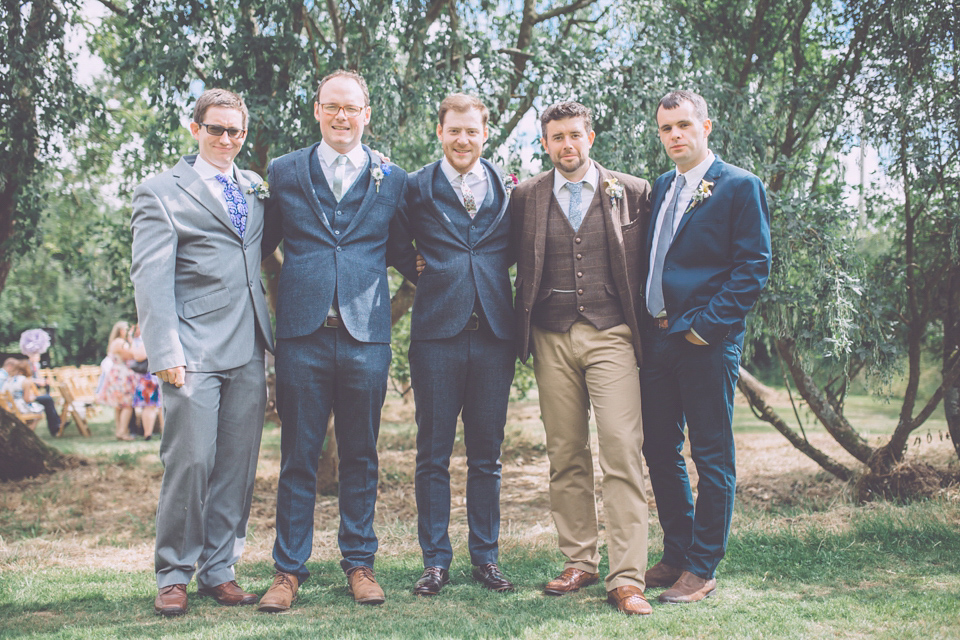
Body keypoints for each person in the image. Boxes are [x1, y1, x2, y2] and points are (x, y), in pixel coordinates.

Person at [257, 70, 408, 612]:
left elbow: (407, 249)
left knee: (361, 455)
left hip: (367, 336)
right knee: (298, 455)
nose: (342, 117)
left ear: (367, 114)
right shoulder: (285, 170)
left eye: (352, 108)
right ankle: (287, 570)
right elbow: (257, 241)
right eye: (332, 107)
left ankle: (360, 563)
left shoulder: (393, 178)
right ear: (317, 110)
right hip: (302, 335)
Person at [130, 88, 274, 617]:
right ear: (196, 129)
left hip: (250, 344)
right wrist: (163, 349)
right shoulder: (160, 191)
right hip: (190, 351)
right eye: (216, 129)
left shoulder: (254, 187)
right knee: (190, 463)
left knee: (237, 466)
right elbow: (151, 278)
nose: (226, 139)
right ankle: (173, 574)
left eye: (235, 131)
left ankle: (220, 569)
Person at [511, 101, 653, 615]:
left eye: (574, 135)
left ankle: (627, 577)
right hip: (550, 337)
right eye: (556, 137)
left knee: (620, 449)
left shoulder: (632, 190)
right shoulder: (526, 195)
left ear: (590, 136)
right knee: (565, 453)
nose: (566, 145)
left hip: (612, 334)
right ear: (544, 143)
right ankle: (579, 561)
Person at [641, 90, 771, 604]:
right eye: (666, 128)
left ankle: (702, 566)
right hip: (656, 341)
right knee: (658, 448)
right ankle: (677, 552)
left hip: (705, 342)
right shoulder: (661, 187)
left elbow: (753, 268)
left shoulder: (739, 186)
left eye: (683, 125)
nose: (674, 135)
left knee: (712, 455)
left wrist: (705, 328)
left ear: (706, 126)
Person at [391, 94, 516, 596]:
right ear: (439, 132)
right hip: (436, 334)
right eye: (454, 130)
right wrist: (414, 266)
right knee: (433, 453)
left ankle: (486, 558)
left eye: (472, 131)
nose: (463, 139)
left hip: (493, 334)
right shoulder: (415, 186)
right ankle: (435, 561)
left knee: (487, 455)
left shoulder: (507, 187)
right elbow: (393, 236)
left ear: (485, 133)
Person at [95, 321, 139, 441]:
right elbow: (132, 355)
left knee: (119, 406)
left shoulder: (115, 342)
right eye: (128, 329)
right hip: (121, 376)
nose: (130, 331)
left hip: (117, 375)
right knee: (127, 405)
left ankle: (120, 431)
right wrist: (131, 341)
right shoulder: (120, 343)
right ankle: (122, 432)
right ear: (121, 331)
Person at [0, 358, 61, 435]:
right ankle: (28, 435)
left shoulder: (8, 379)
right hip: (19, 407)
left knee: (40, 405)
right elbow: (26, 399)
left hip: (10, 407)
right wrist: (33, 397)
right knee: (39, 411)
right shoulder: (24, 380)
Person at [130, 324, 162, 441]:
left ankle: (148, 433)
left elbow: (138, 356)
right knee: (161, 406)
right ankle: (162, 433)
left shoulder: (147, 339)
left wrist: (133, 343)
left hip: (150, 378)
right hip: (158, 374)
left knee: (149, 406)